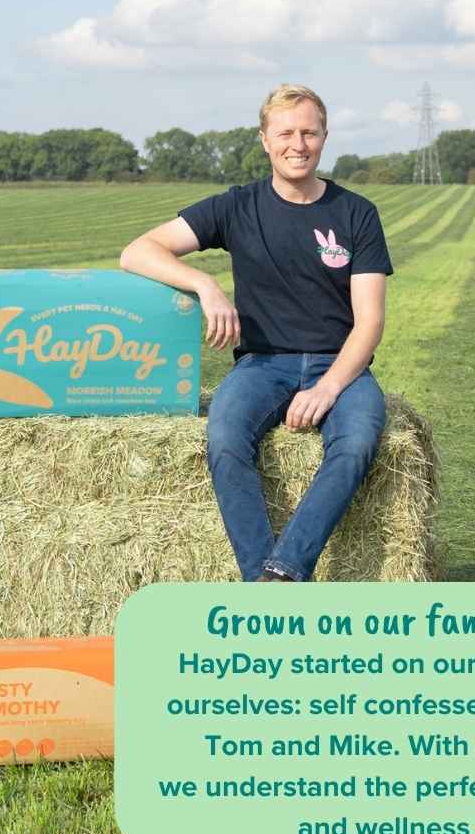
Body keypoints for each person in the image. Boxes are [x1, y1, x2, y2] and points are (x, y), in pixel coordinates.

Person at [119, 84, 392, 582]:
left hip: (341, 366)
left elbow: (369, 322)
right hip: (262, 363)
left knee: (355, 444)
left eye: (309, 132)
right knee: (224, 438)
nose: (298, 144)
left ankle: (285, 571)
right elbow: (138, 251)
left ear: (325, 137)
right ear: (265, 140)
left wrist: (329, 386)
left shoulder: (356, 214)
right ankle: (261, 581)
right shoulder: (236, 207)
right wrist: (205, 284)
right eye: (285, 132)